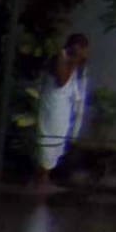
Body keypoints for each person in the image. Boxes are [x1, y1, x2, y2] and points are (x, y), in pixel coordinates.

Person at [36, 32, 94, 179]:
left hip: (63, 111)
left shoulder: (78, 65)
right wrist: (75, 60)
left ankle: (45, 177)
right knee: (48, 146)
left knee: (56, 148)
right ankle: (42, 179)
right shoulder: (60, 59)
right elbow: (62, 81)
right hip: (53, 110)